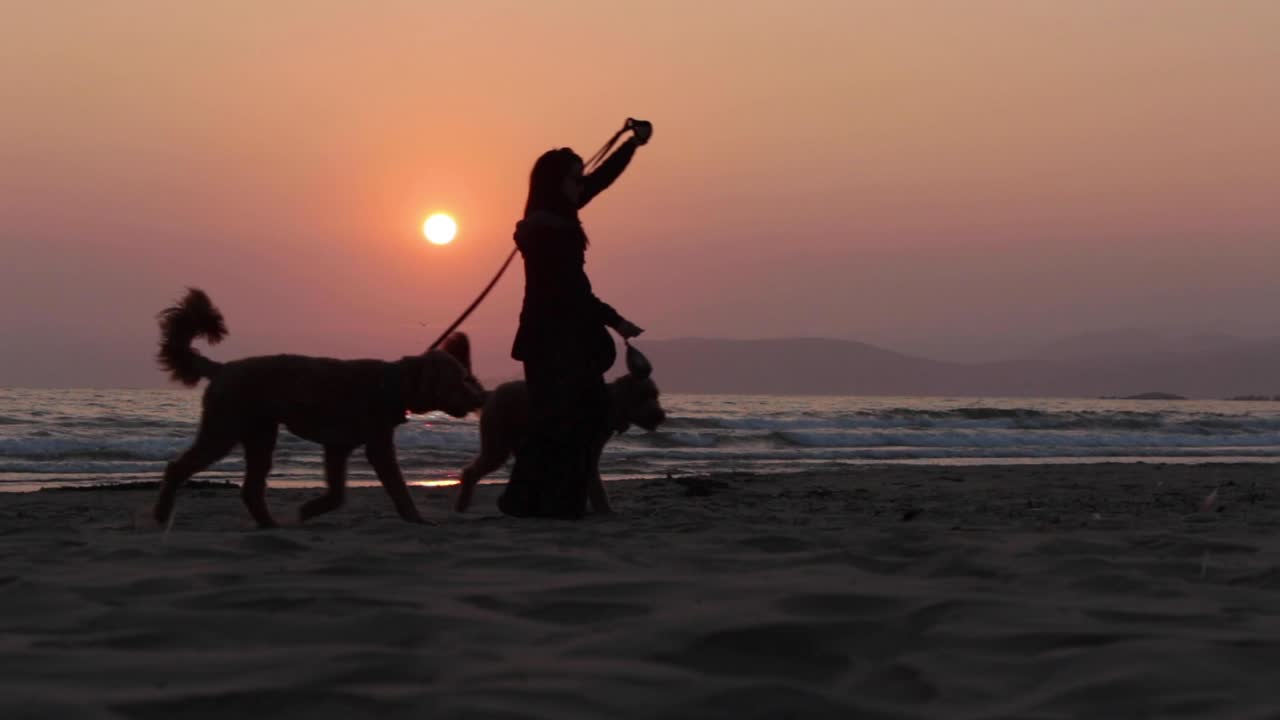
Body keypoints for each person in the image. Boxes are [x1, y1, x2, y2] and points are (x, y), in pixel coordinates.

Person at [498, 122, 651, 518]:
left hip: (550, 340)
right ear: (557, 183)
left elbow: (600, 180)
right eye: (574, 177)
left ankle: (529, 504)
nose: (580, 184)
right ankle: (548, 505)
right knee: (574, 423)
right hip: (558, 342)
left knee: (553, 425)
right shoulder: (551, 230)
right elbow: (572, 291)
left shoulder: (551, 217)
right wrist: (616, 321)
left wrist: (631, 144)